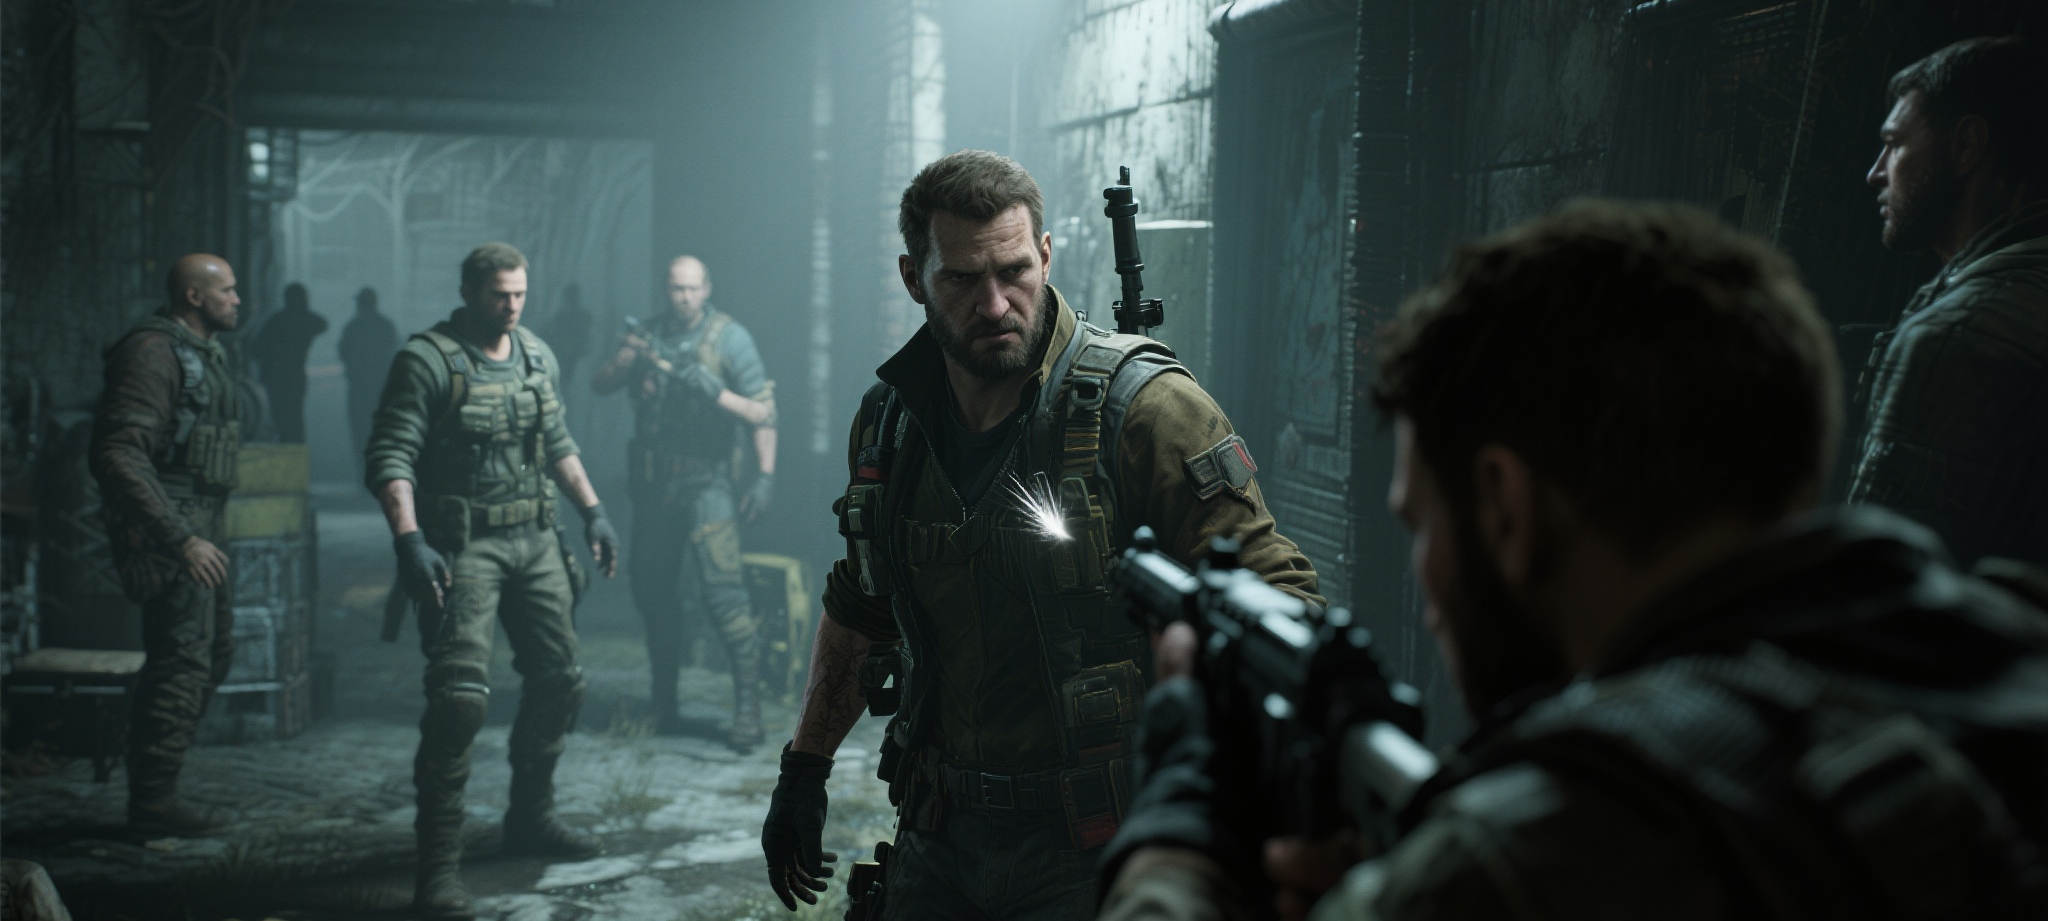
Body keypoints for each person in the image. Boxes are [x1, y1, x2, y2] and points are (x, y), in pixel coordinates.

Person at [1099, 200, 2048, 920]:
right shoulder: (2003, 648)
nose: (1428, 592)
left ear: (1505, 507)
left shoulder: (1524, 856)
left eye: (1421, 524)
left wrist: (1181, 822)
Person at [760, 150, 1321, 920]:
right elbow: (863, 602)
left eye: (1015, 271)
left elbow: (1281, 609)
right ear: (914, 277)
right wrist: (805, 767)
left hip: (1097, 845)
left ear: (1047, 256)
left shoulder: (1148, 412)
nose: (995, 304)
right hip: (938, 834)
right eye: (962, 279)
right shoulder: (892, 425)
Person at [364, 242, 621, 921]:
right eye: (499, 295)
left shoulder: (536, 355)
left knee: (560, 680)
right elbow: (391, 454)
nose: (511, 306)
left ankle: (531, 819)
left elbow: (558, 442)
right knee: (458, 701)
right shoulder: (428, 361)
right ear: (470, 292)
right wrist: (410, 540)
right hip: (464, 545)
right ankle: (437, 868)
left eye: (520, 294)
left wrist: (593, 512)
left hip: (535, 538)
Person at [1851, 35, 2048, 567]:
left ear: (1965, 147)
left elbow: (1878, 587)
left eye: (1895, 144)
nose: (1876, 172)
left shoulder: (1953, 339)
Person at [591, 255, 777, 749]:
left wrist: (763, 474)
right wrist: (628, 359)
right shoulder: (647, 336)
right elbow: (601, 383)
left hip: (707, 484)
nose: (686, 298)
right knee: (654, 595)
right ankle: (664, 704)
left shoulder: (729, 339)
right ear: (666, 290)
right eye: (677, 289)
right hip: (655, 490)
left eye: (693, 289)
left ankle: (747, 710)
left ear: (707, 288)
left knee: (724, 597)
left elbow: (762, 411)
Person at [89, 253, 246, 837]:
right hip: (175, 530)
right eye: (226, 291)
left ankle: (152, 779)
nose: (237, 300)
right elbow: (118, 453)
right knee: (182, 662)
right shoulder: (154, 352)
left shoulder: (203, 352)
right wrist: (180, 539)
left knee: (212, 655)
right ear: (194, 297)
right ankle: (151, 804)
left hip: (204, 521)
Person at [249, 281, 328, 443]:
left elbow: (256, 350)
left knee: (279, 419)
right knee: (295, 419)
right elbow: (322, 324)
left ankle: (287, 450)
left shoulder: (277, 320)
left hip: (275, 378)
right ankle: (294, 450)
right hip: (295, 377)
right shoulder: (305, 321)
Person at [339, 286, 398, 465]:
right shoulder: (385, 325)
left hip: (358, 386)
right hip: (381, 386)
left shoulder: (353, 326)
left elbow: (343, 352)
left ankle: (362, 468)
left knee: (359, 429)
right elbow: (394, 351)